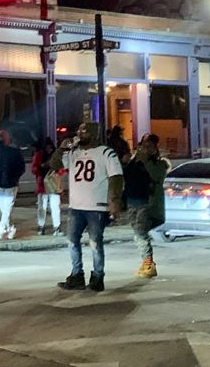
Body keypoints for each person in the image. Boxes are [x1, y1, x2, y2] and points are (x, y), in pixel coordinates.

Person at [51, 121, 123, 292]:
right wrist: (62, 149)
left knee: (95, 243)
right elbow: (55, 165)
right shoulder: (74, 153)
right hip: (76, 206)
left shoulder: (106, 153)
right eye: (79, 131)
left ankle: (98, 277)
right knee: (71, 240)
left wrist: (114, 202)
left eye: (84, 132)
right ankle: (77, 275)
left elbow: (116, 177)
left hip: (96, 206)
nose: (80, 134)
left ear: (94, 133)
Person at [123, 133, 168, 278]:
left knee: (140, 233)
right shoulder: (134, 162)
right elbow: (126, 176)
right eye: (142, 146)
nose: (144, 149)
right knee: (138, 234)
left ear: (155, 149)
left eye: (148, 147)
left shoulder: (160, 164)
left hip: (147, 203)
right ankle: (147, 262)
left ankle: (149, 263)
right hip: (132, 201)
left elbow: (156, 177)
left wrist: (144, 161)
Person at [0, 129, 25, 240]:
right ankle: (10, 228)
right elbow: (21, 168)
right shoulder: (15, 152)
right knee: (6, 210)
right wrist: (15, 178)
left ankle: (1, 230)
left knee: (5, 209)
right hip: (10, 184)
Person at [34, 138, 63, 236]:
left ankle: (42, 226)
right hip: (52, 184)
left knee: (43, 207)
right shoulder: (55, 155)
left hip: (43, 184)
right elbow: (62, 170)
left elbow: (34, 169)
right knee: (53, 207)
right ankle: (56, 227)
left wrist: (40, 169)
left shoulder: (39, 155)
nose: (48, 149)